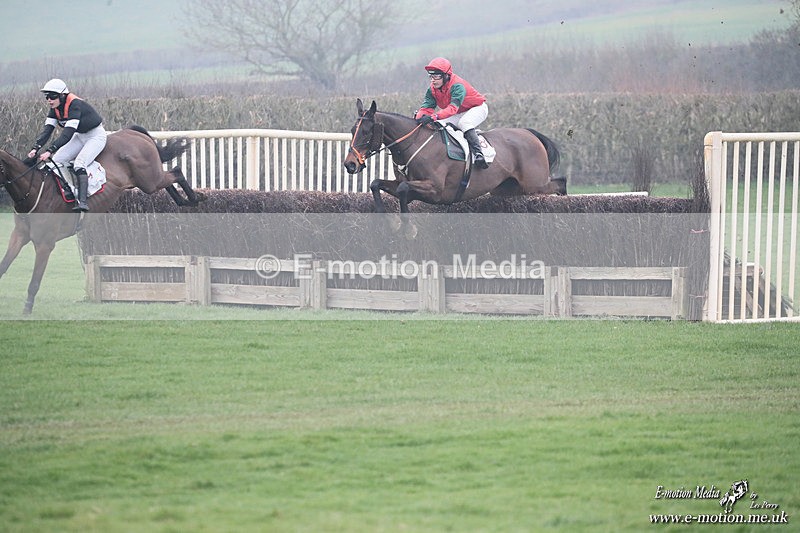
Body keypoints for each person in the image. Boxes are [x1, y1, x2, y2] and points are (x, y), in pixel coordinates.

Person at [27, 78, 107, 211]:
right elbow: (47, 131)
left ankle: (83, 202)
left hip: (95, 136)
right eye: (47, 97)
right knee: (57, 161)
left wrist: (50, 150)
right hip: (80, 136)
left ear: (62, 95)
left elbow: (67, 134)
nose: (49, 100)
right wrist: (35, 148)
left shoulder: (75, 104)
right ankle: (72, 190)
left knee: (79, 164)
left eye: (52, 96)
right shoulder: (55, 108)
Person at [414, 57, 490, 169]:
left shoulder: (457, 86)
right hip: (458, 112)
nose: (433, 80)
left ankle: (479, 154)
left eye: (436, 76)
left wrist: (433, 117)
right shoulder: (432, 90)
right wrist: (418, 119)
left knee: (464, 123)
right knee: (439, 124)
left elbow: (452, 109)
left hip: (477, 108)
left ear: (446, 75)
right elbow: (426, 109)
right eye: (431, 76)